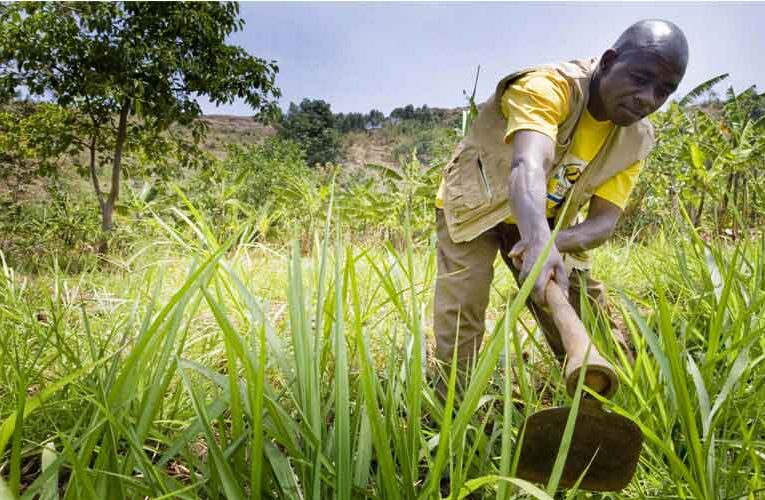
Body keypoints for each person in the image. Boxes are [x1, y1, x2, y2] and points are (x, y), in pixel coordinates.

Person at [433, 19, 689, 383]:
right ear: (608, 61)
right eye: (639, 78)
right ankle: (453, 411)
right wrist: (538, 241)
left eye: (664, 91)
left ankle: (605, 392)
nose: (647, 98)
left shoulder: (638, 138)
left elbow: (604, 221)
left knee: (585, 310)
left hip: (548, 217)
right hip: (476, 203)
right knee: (463, 309)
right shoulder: (547, 87)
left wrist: (551, 243)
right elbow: (528, 165)